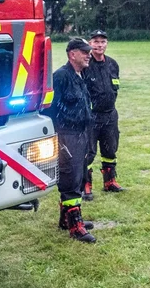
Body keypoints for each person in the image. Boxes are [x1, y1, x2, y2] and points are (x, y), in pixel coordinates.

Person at [47, 38, 98, 243]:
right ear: (72, 54)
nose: (88, 55)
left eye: (89, 52)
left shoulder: (79, 75)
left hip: (81, 133)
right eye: (84, 52)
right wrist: (55, 135)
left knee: (79, 176)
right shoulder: (61, 76)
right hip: (66, 133)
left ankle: (66, 218)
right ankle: (75, 226)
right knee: (70, 179)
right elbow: (49, 107)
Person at [82, 30, 126, 199]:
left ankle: (110, 182)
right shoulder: (85, 63)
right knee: (88, 152)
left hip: (110, 114)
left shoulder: (112, 64)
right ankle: (85, 185)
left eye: (102, 42)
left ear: (106, 44)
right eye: (96, 42)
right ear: (90, 44)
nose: (99, 45)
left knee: (110, 148)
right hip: (91, 116)